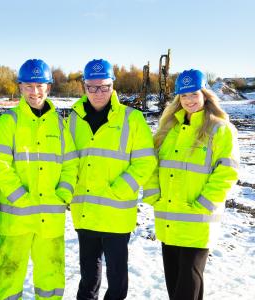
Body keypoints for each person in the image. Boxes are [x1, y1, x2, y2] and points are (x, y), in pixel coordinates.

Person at [143, 69, 239, 300]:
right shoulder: (168, 129)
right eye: (184, 96)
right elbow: (151, 166)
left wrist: (204, 204)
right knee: (174, 283)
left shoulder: (220, 129)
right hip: (169, 218)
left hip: (197, 220)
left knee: (187, 285)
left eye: (194, 94)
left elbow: (228, 171)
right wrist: (154, 194)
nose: (189, 100)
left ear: (205, 94)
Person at [0, 59, 79, 300]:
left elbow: (71, 163)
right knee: (9, 275)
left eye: (40, 86)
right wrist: (19, 197)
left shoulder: (59, 125)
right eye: (29, 86)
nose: (35, 92)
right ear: (20, 87)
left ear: (48, 87)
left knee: (51, 276)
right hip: (16, 218)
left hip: (50, 219)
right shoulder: (9, 122)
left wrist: (63, 195)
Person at [67, 59, 157, 300]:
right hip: (84, 210)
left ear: (113, 86)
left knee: (117, 278)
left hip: (116, 212)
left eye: (104, 86)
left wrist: (120, 189)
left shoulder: (132, 119)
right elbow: (67, 160)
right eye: (92, 87)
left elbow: (145, 161)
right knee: (88, 275)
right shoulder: (73, 119)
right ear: (84, 87)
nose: (99, 93)